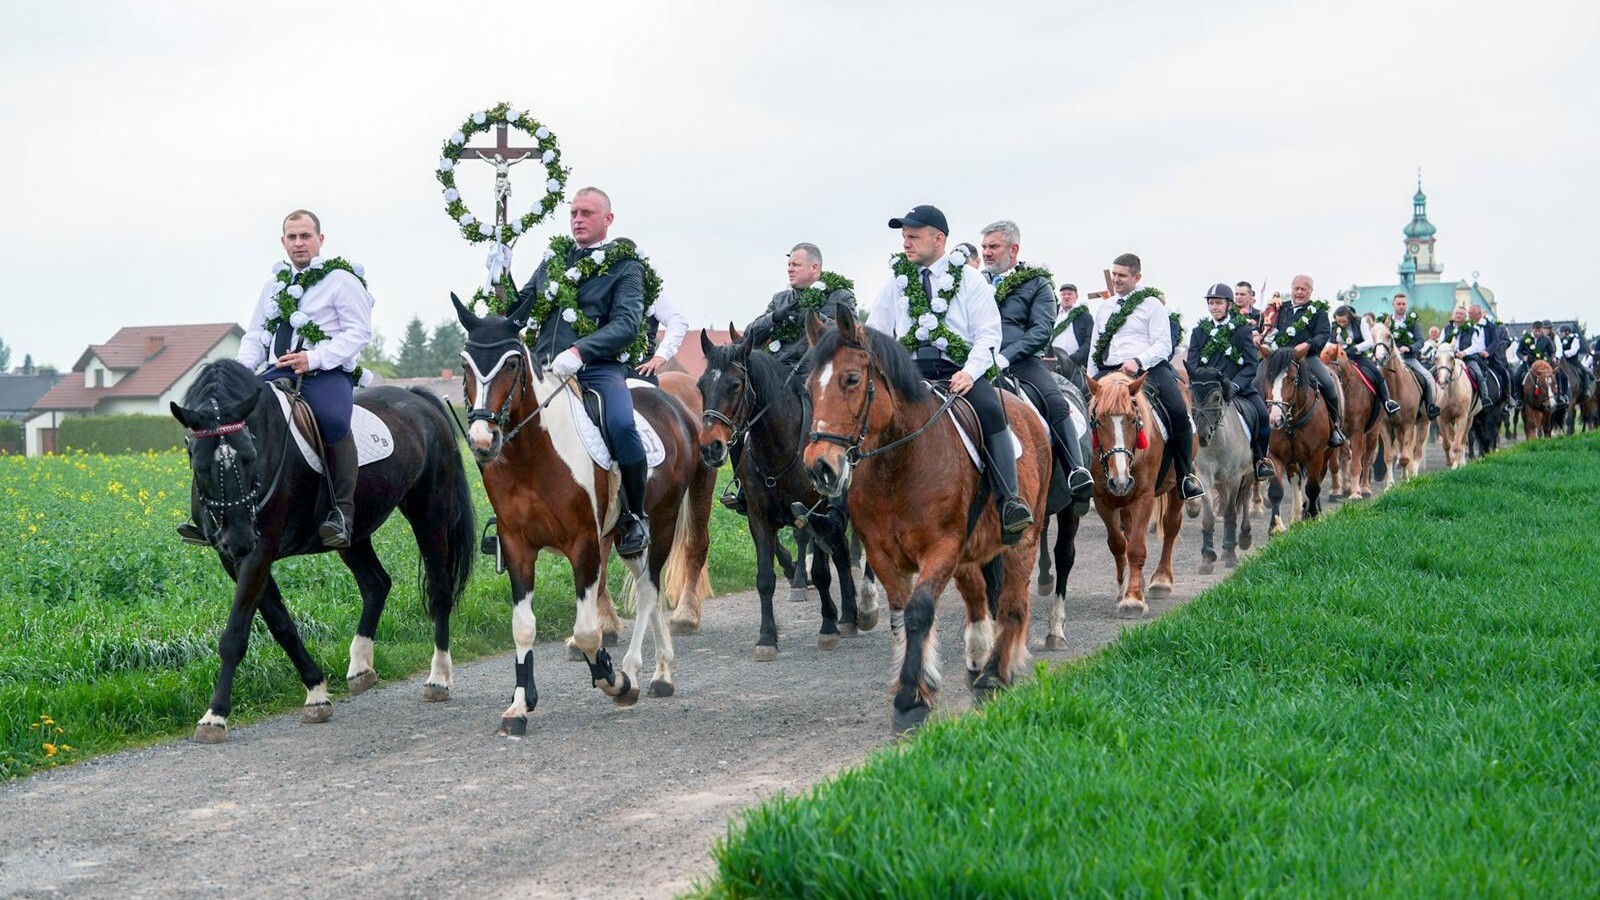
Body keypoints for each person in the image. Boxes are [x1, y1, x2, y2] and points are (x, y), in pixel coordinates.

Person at [181, 210, 376, 548]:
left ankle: (341, 513)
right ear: (283, 241)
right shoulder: (274, 285)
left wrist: (313, 358)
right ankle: (204, 516)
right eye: (292, 237)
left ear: (320, 239)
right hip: (275, 371)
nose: (299, 243)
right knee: (221, 421)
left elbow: (359, 332)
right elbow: (256, 335)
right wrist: (241, 373)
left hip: (325, 373)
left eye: (306, 236)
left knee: (332, 420)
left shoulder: (341, 281)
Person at [861, 204, 1034, 540]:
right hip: (909, 374)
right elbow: (877, 334)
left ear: (938, 238)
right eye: (904, 237)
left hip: (959, 372)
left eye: (913, 236)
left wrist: (970, 372)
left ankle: (1009, 501)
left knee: (991, 411)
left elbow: (988, 334)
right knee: (864, 416)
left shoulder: (969, 279)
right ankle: (847, 503)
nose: (906, 243)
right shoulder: (896, 283)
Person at [515, 187, 651, 557]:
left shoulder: (626, 267)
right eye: (574, 212)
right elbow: (520, 307)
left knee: (621, 425)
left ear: (608, 219)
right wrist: (499, 275)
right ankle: (509, 517)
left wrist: (580, 350)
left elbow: (627, 323)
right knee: (502, 422)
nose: (577, 219)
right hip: (543, 369)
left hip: (597, 370)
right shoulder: (553, 258)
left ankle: (634, 515)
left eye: (586, 213)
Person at [728, 242, 857, 514]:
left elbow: (849, 332)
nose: (790, 269)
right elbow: (750, 336)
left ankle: (843, 491)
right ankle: (742, 487)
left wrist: (812, 316)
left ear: (815, 268)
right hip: (778, 377)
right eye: (788, 264)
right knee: (740, 415)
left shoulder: (840, 295)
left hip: (817, 376)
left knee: (838, 423)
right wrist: (774, 318)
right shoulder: (780, 299)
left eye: (796, 264)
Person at [979, 220, 1093, 500]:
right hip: (976, 361)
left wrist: (1005, 356)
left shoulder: (1038, 283)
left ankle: (1076, 470)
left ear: (1013, 249)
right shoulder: (975, 282)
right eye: (984, 247)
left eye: (993, 246)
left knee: (1056, 402)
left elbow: (1041, 331)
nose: (986, 252)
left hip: (1021, 362)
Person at [1086, 253, 1207, 500]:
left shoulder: (1152, 304)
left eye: (1122, 275)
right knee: (1078, 414)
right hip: (1109, 371)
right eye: (1114, 274)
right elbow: (1094, 348)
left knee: (1178, 413)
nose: (1116, 279)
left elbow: (1163, 345)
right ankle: (1081, 475)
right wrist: (1091, 379)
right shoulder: (1105, 308)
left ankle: (1185, 476)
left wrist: (1138, 361)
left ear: (1137, 277)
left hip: (1148, 369)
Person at [1189, 283, 1272, 481]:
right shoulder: (1199, 331)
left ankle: (1260, 460)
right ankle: (1187, 466)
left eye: (1218, 303)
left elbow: (1251, 364)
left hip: (1238, 388)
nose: (1214, 307)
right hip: (1207, 393)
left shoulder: (1242, 330)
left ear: (1229, 305)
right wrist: (1205, 384)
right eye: (1211, 303)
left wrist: (1234, 385)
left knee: (1262, 415)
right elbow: (1192, 364)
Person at [1260, 274, 1346, 447]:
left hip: (1307, 357)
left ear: (1310, 291)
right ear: (1291, 289)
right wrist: (1259, 335)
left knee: (1328, 384)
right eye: (1296, 288)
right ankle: (1259, 427)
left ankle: (1334, 426)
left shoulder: (1319, 311)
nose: (1299, 292)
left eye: (1303, 289)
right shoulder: (1280, 309)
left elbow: (1323, 334)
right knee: (1257, 381)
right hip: (1279, 358)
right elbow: (1265, 327)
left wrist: (1308, 344)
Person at [611, 237, 686, 382]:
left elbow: (677, 319)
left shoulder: (651, 292)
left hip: (638, 370)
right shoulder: (599, 291)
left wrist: (661, 355)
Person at [1332, 305, 1403, 417]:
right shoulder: (1334, 326)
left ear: (1349, 318)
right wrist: (1337, 349)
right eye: (1338, 321)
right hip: (1339, 358)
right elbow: (1330, 342)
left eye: (1343, 321)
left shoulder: (1360, 322)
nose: (1341, 324)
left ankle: (1387, 402)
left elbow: (1369, 341)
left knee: (1377, 373)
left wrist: (1355, 348)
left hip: (1357, 356)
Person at [1378, 292, 1439, 419]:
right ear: (1393, 304)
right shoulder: (1385, 322)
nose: (1401, 306)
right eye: (1398, 304)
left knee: (1428, 377)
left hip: (1409, 359)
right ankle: (1377, 407)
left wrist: (1409, 348)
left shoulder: (1412, 322)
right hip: (1388, 360)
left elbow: (1420, 341)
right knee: (1374, 376)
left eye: (1403, 304)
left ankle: (1430, 406)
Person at [1442, 306, 1497, 407]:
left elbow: (1476, 346)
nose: (1458, 315)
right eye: (1457, 313)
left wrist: (1464, 353)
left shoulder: (1471, 329)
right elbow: (1441, 343)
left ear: (1465, 317)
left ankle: (1485, 398)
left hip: (1468, 359)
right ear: (1453, 315)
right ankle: (1430, 402)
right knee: (1432, 373)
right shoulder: (1446, 329)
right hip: (1449, 359)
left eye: (1461, 314)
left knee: (1478, 375)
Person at [1050, 282, 1093, 379]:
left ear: (1076, 297)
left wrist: (1076, 357)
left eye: (1069, 294)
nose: (1066, 297)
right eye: (1063, 294)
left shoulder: (1084, 316)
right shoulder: (1052, 314)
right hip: (1052, 364)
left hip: (1076, 365)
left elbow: (1090, 340)